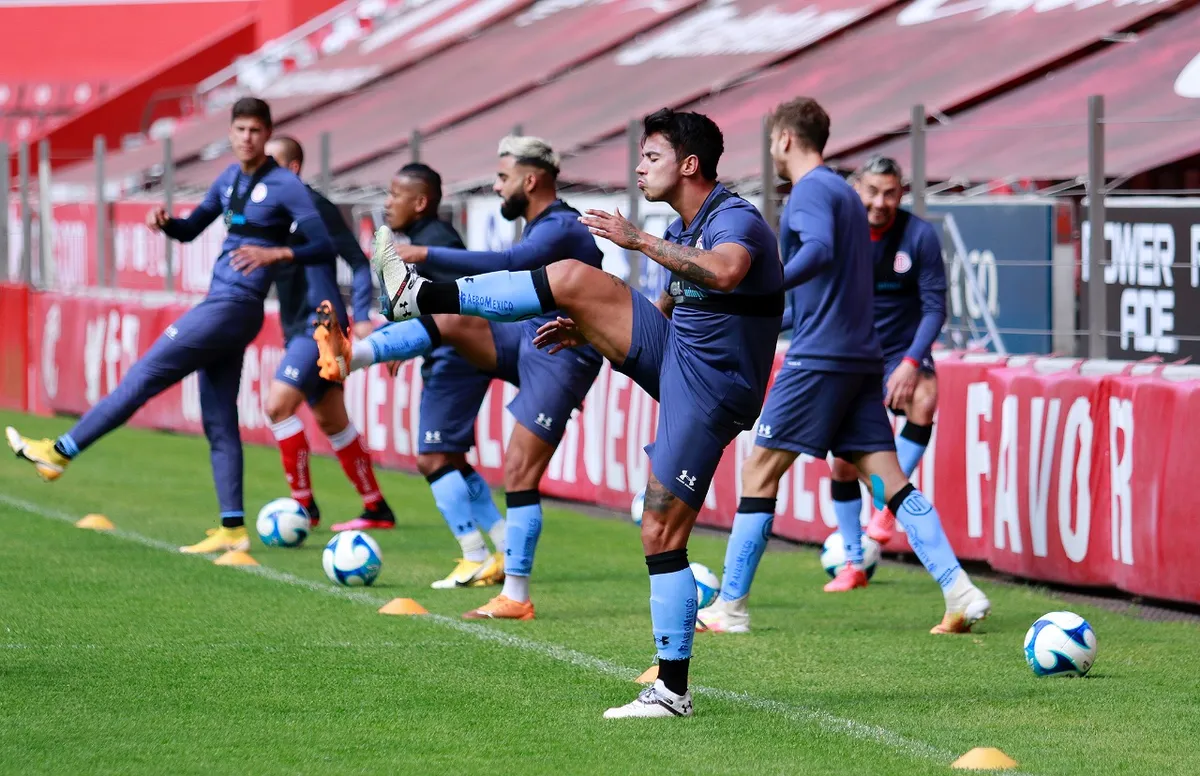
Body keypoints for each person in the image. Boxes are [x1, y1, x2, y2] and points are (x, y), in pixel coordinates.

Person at [364, 108, 784, 719]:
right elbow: (669, 305)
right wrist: (591, 329)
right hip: (679, 356)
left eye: (652, 157)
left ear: (689, 165)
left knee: (661, 531)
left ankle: (671, 692)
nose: (639, 167)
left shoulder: (734, 219)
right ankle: (418, 297)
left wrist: (636, 239)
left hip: (713, 387)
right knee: (573, 281)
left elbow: (728, 272)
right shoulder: (689, 226)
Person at [694, 97, 989, 637]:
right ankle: (959, 591)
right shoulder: (845, 195)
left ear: (784, 138)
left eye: (770, 142)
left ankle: (730, 606)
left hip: (820, 356)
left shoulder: (810, 192)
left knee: (759, 469)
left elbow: (821, 251)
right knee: (892, 480)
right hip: (861, 357)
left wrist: (770, 283)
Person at [6, 98, 334, 554]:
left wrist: (278, 254)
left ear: (267, 134)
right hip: (224, 306)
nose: (247, 138)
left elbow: (324, 243)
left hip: (234, 305)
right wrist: (167, 225)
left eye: (256, 131)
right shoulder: (229, 178)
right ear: (232, 132)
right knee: (219, 421)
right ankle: (233, 527)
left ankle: (60, 452)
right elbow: (192, 229)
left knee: (142, 376)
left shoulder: (283, 185)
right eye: (240, 129)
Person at [314, 136, 603, 611]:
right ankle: (356, 354)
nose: (495, 186)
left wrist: (423, 257)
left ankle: (515, 594)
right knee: (449, 320)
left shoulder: (563, 226)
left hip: (562, 352)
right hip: (525, 338)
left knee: (516, 470)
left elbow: (509, 265)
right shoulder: (539, 226)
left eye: (503, 178)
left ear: (530, 181)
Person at [378, 161, 507, 587]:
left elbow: (462, 303)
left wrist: (411, 338)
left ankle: (472, 555)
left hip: (457, 358)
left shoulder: (437, 242)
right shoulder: (423, 240)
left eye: (396, 194)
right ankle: (505, 548)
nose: (387, 203)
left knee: (431, 458)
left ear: (420, 201)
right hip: (450, 356)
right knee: (451, 459)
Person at [261, 135, 395, 532]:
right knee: (333, 420)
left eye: (272, 165)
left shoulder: (315, 207)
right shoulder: (268, 211)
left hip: (321, 324)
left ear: (294, 167)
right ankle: (376, 507)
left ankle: (302, 509)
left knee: (277, 406)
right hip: (296, 324)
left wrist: (362, 314)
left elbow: (357, 260)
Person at [848, 155, 946, 544]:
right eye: (872, 191)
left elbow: (935, 308)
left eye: (890, 193)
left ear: (901, 192)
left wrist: (909, 362)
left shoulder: (919, 236)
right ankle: (853, 558)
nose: (879, 202)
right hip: (851, 354)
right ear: (857, 188)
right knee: (841, 464)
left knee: (924, 395)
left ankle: (887, 505)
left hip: (899, 354)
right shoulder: (841, 235)